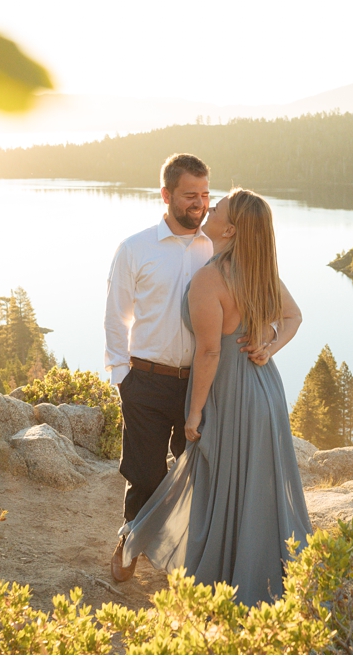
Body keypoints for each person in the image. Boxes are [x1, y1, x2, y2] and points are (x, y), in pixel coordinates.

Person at [119, 188, 312, 607]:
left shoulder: (211, 279)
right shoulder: (258, 272)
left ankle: (217, 577)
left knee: (218, 483)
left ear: (230, 228)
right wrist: (270, 345)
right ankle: (262, 577)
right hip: (266, 393)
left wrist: (194, 413)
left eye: (219, 205)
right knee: (252, 489)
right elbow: (294, 317)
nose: (212, 205)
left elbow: (209, 352)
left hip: (230, 396)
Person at [104, 154, 269, 582]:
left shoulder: (219, 245)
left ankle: (186, 562)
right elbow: (115, 317)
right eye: (190, 196)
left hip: (203, 384)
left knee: (197, 474)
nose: (199, 204)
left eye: (205, 196)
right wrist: (122, 375)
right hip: (146, 379)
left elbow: (257, 295)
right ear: (166, 195)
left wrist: (265, 338)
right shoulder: (134, 248)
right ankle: (131, 541)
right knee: (144, 472)